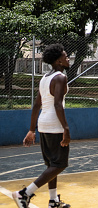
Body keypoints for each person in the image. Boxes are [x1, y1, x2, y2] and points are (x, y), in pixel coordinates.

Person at [12, 43, 71, 208]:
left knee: (52, 165)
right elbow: (58, 105)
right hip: (55, 125)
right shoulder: (60, 77)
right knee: (60, 164)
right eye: (65, 57)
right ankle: (24, 194)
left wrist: (32, 129)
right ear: (58, 61)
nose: (68, 59)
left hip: (44, 124)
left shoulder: (45, 78)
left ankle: (53, 201)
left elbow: (36, 105)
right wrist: (66, 129)